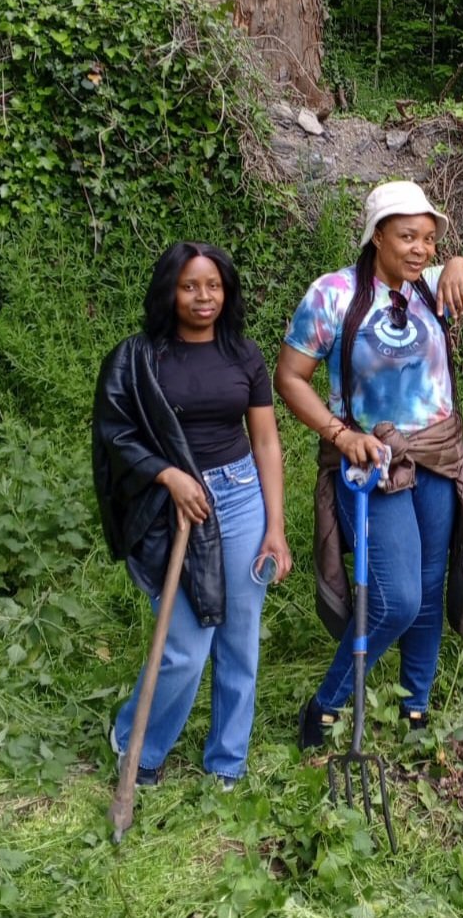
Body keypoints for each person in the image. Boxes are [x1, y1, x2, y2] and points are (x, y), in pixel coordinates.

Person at [274, 180, 463, 746]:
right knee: (397, 596)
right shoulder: (333, 294)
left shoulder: (435, 289)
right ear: (377, 236)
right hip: (371, 460)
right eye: (407, 236)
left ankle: (415, 707)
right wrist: (337, 432)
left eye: (428, 238)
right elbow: (289, 377)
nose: (419, 248)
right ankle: (328, 701)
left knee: (427, 589)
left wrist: (461, 262)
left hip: (438, 454)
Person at [92, 241, 292, 788]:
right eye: (189, 286)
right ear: (169, 292)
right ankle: (139, 743)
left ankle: (227, 763)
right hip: (173, 504)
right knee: (184, 644)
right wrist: (169, 475)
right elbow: (116, 435)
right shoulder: (139, 357)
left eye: (213, 285)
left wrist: (275, 526)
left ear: (226, 292)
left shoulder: (244, 355)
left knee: (239, 638)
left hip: (241, 495)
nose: (203, 297)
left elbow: (267, 441)